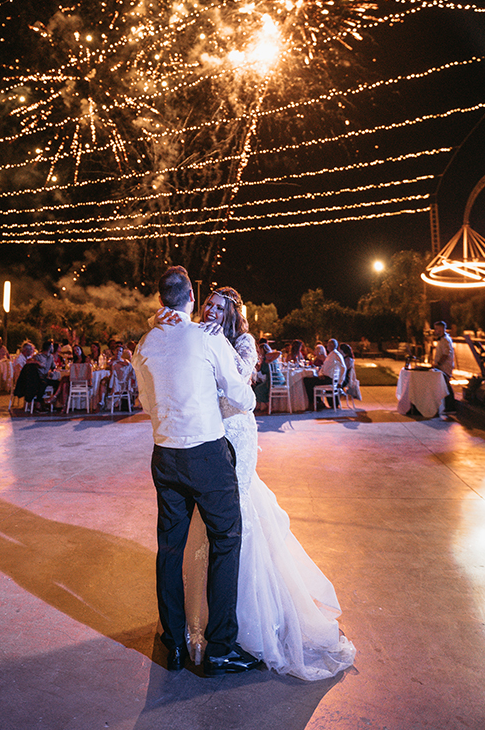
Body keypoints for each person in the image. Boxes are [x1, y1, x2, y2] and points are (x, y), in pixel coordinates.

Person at [155, 288, 356, 680]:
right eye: (208, 305)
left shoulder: (242, 341)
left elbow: (242, 380)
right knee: (206, 523)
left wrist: (215, 351)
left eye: (219, 307)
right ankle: (203, 620)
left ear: (233, 313)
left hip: (236, 430)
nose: (211, 311)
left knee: (237, 514)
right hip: (206, 434)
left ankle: (249, 622)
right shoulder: (197, 335)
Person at [133, 267, 260, 677]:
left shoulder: (145, 344)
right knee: (226, 539)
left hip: (164, 454)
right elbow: (242, 396)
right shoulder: (207, 338)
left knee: (170, 548)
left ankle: (172, 645)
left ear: (161, 300)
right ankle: (220, 648)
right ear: (191, 296)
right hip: (205, 455)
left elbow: (146, 401)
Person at [304, 339, 347, 410]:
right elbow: (324, 367)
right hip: (326, 377)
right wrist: (320, 374)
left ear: (331, 346)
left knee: (307, 381)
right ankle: (318, 401)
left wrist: (340, 382)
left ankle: (313, 402)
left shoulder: (336, 355)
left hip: (329, 379)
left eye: (328, 345)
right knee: (310, 380)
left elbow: (343, 367)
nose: (327, 346)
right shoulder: (331, 355)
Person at [432, 321, 456, 412]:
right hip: (442, 366)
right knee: (444, 386)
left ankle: (451, 407)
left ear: (441, 329)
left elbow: (446, 354)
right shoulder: (442, 339)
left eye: (436, 328)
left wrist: (438, 364)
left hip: (445, 367)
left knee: (446, 386)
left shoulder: (445, 340)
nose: (435, 331)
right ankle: (448, 406)